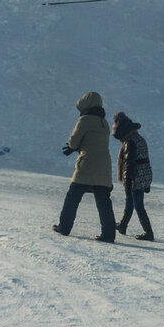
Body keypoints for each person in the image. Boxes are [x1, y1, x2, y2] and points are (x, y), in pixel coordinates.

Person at [53, 91, 116, 242]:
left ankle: (64, 227)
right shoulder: (104, 122)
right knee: (104, 202)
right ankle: (109, 234)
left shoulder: (85, 119)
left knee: (72, 198)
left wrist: (72, 147)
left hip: (87, 164)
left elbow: (74, 141)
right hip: (104, 165)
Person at [112, 111, 154, 241]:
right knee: (130, 202)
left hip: (136, 176)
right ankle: (123, 225)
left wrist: (128, 181)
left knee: (138, 205)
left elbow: (130, 163)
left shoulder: (130, 142)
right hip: (143, 175)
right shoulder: (138, 138)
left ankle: (148, 232)